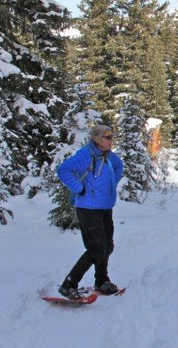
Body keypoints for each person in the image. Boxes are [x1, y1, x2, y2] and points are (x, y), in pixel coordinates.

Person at [56, 124, 124, 299]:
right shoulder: (86, 154)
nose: (111, 140)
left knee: (107, 245)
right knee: (96, 248)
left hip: (105, 207)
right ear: (98, 139)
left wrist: (112, 183)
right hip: (88, 208)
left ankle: (101, 282)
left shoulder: (108, 155)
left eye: (112, 137)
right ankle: (68, 284)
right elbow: (63, 170)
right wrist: (78, 188)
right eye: (108, 137)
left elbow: (119, 166)